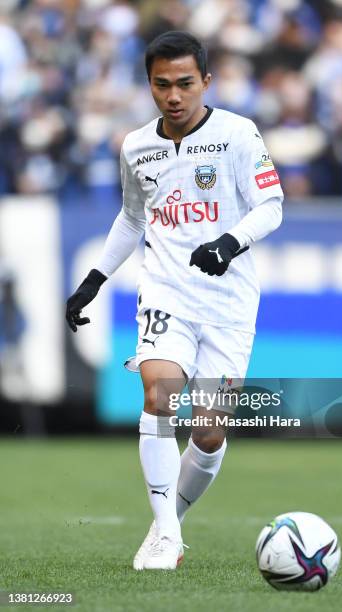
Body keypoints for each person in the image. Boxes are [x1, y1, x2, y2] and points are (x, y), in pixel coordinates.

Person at [65, 31, 283, 571]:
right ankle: (166, 537)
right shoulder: (136, 146)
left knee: (208, 432)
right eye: (162, 85)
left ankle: (168, 526)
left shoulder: (237, 134)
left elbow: (271, 204)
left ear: (205, 81)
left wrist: (230, 243)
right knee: (159, 394)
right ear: (150, 86)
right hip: (166, 291)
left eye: (185, 83)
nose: (174, 96)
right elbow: (133, 219)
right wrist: (94, 278)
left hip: (229, 303)